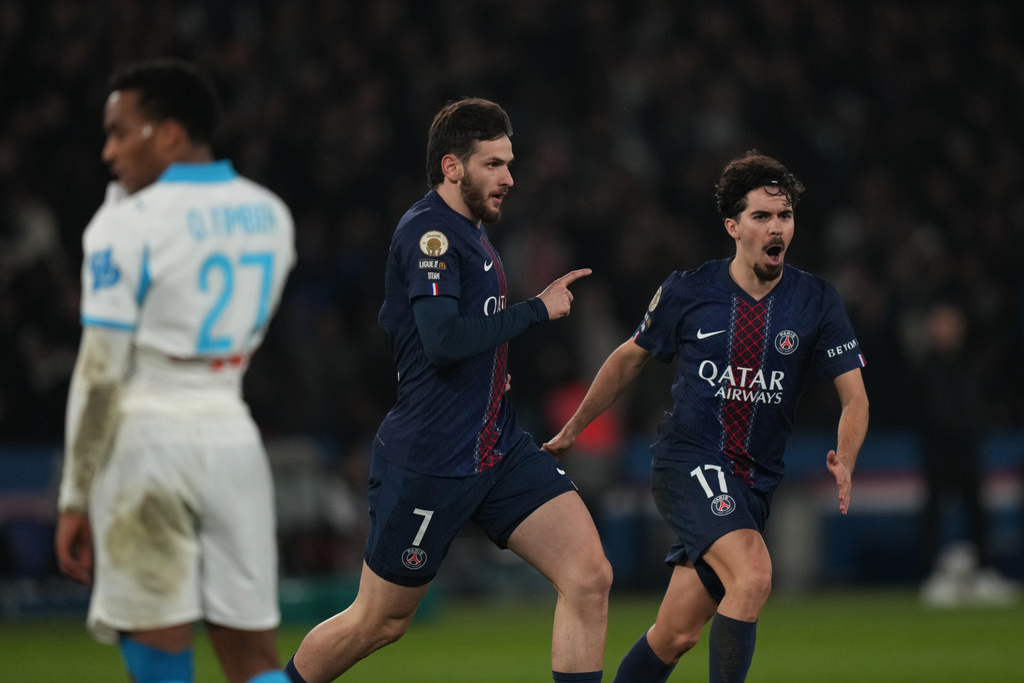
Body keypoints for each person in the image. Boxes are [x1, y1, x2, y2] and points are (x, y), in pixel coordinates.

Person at [282, 97, 612, 683]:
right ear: (452, 167)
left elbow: (406, 324)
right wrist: (536, 309)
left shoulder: (469, 232)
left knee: (589, 577)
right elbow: (440, 340)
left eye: (510, 164)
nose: (509, 178)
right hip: (432, 458)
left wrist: (488, 368)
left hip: (497, 446)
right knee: (379, 621)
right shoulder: (431, 233)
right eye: (494, 164)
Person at [544, 150, 870, 683]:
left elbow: (854, 397)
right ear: (733, 226)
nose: (776, 227)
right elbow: (630, 357)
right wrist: (576, 426)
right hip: (691, 459)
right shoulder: (689, 290)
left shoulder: (816, 301)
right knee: (755, 573)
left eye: (784, 216)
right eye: (761, 216)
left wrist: (848, 458)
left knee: (675, 634)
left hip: (754, 482)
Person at [53, 59, 295, 683]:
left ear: (167, 134)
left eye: (119, 131)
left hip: (145, 440)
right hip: (231, 434)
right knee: (253, 659)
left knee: (158, 646)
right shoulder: (271, 214)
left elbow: (100, 372)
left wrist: (76, 494)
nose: (108, 151)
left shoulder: (124, 224)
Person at [912, 300, 1019, 606]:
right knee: (932, 514)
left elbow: (976, 407)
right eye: (943, 324)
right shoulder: (926, 368)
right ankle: (929, 577)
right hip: (939, 454)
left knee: (977, 513)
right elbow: (929, 412)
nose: (949, 331)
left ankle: (983, 573)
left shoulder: (968, 365)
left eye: (953, 324)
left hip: (967, 452)